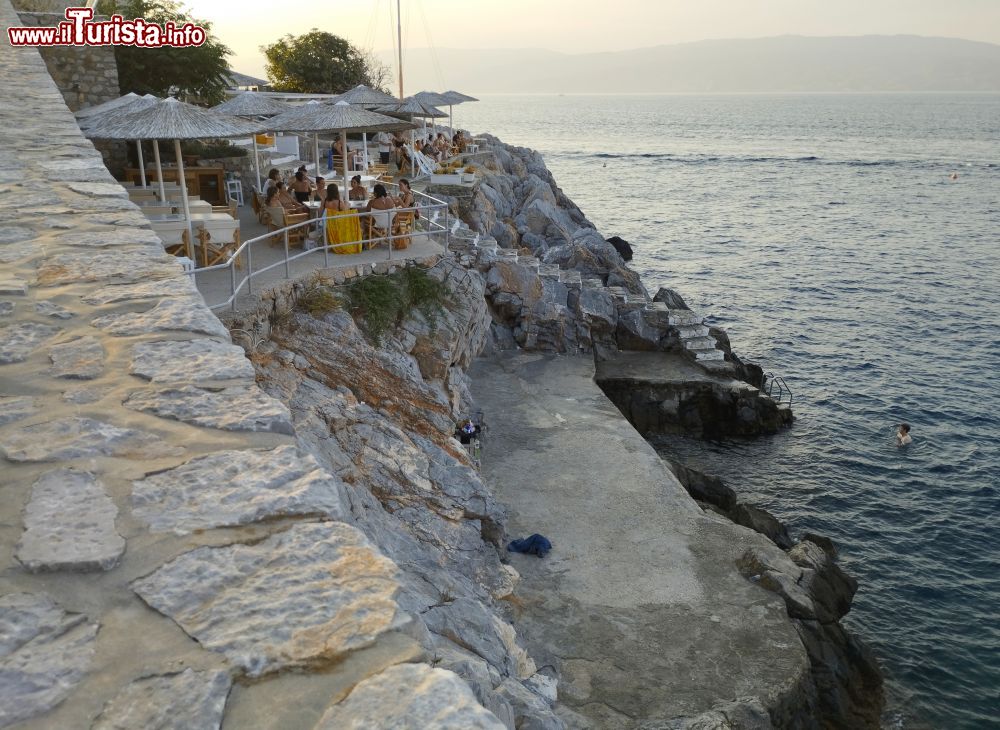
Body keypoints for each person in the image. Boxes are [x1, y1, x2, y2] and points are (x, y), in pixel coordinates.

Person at [322, 183, 362, 254]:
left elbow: (321, 211)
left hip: (328, 223)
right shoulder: (338, 202)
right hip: (337, 224)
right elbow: (345, 211)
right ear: (336, 191)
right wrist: (347, 204)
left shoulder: (324, 201)